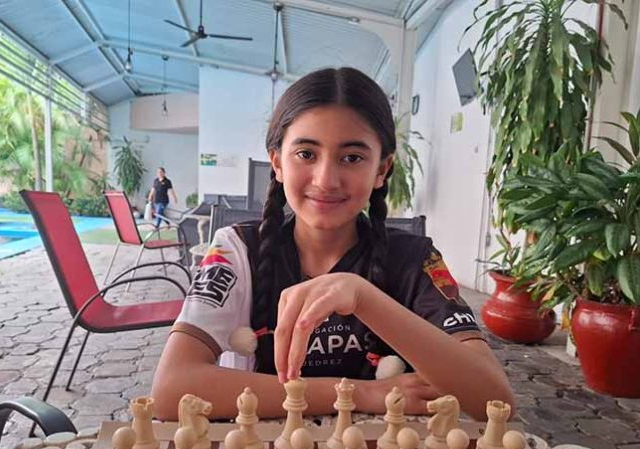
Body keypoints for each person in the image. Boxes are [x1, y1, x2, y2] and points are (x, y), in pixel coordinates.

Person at [152, 67, 514, 422]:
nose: (326, 180)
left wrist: (363, 297)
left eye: (352, 158)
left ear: (382, 170)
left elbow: (495, 400)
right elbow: (171, 390)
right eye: (306, 154)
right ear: (277, 162)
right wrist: (362, 394)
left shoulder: (415, 259)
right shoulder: (236, 250)